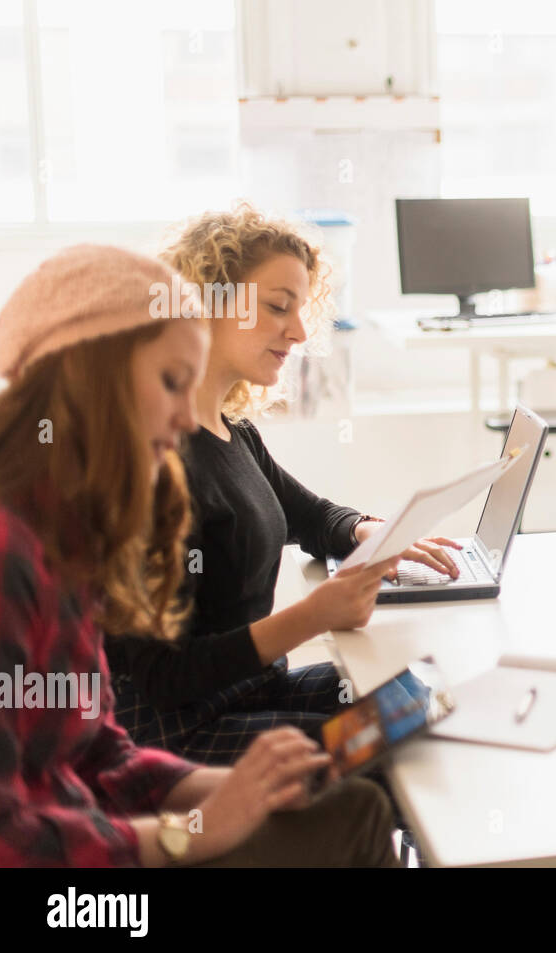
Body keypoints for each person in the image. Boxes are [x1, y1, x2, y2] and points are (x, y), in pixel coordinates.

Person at [0, 244, 398, 866]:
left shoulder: (67, 538)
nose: (187, 417)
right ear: (86, 376)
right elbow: (12, 837)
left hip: (105, 829)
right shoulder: (9, 554)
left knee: (340, 783)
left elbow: (102, 752)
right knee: (355, 811)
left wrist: (225, 793)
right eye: (168, 383)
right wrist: (191, 831)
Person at [106, 204, 457, 764]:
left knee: (425, 697)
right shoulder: (151, 461)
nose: (297, 332)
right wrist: (314, 616)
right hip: (178, 733)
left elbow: (310, 515)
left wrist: (367, 531)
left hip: (248, 691)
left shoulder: (232, 432)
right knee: (393, 742)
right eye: (277, 308)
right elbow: (163, 678)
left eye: (299, 311)